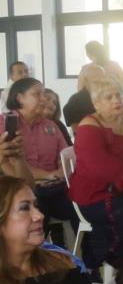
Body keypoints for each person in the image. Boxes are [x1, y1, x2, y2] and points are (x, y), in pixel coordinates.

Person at [69, 79, 123, 267]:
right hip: (97, 191)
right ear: (96, 104)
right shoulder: (88, 125)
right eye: (108, 97)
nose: (116, 100)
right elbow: (99, 166)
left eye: (118, 95)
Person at [6, 78, 73, 227]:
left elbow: (65, 155)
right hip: (22, 186)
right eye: (37, 94)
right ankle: (37, 248)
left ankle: (81, 249)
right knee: (37, 207)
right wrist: (47, 175)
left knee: (80, 202)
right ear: (19, 98)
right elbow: (9, 163)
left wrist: (61, 171)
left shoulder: (51, 125)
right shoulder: (4, 124)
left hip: (55, 186)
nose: (44, 99)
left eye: (44, 94)